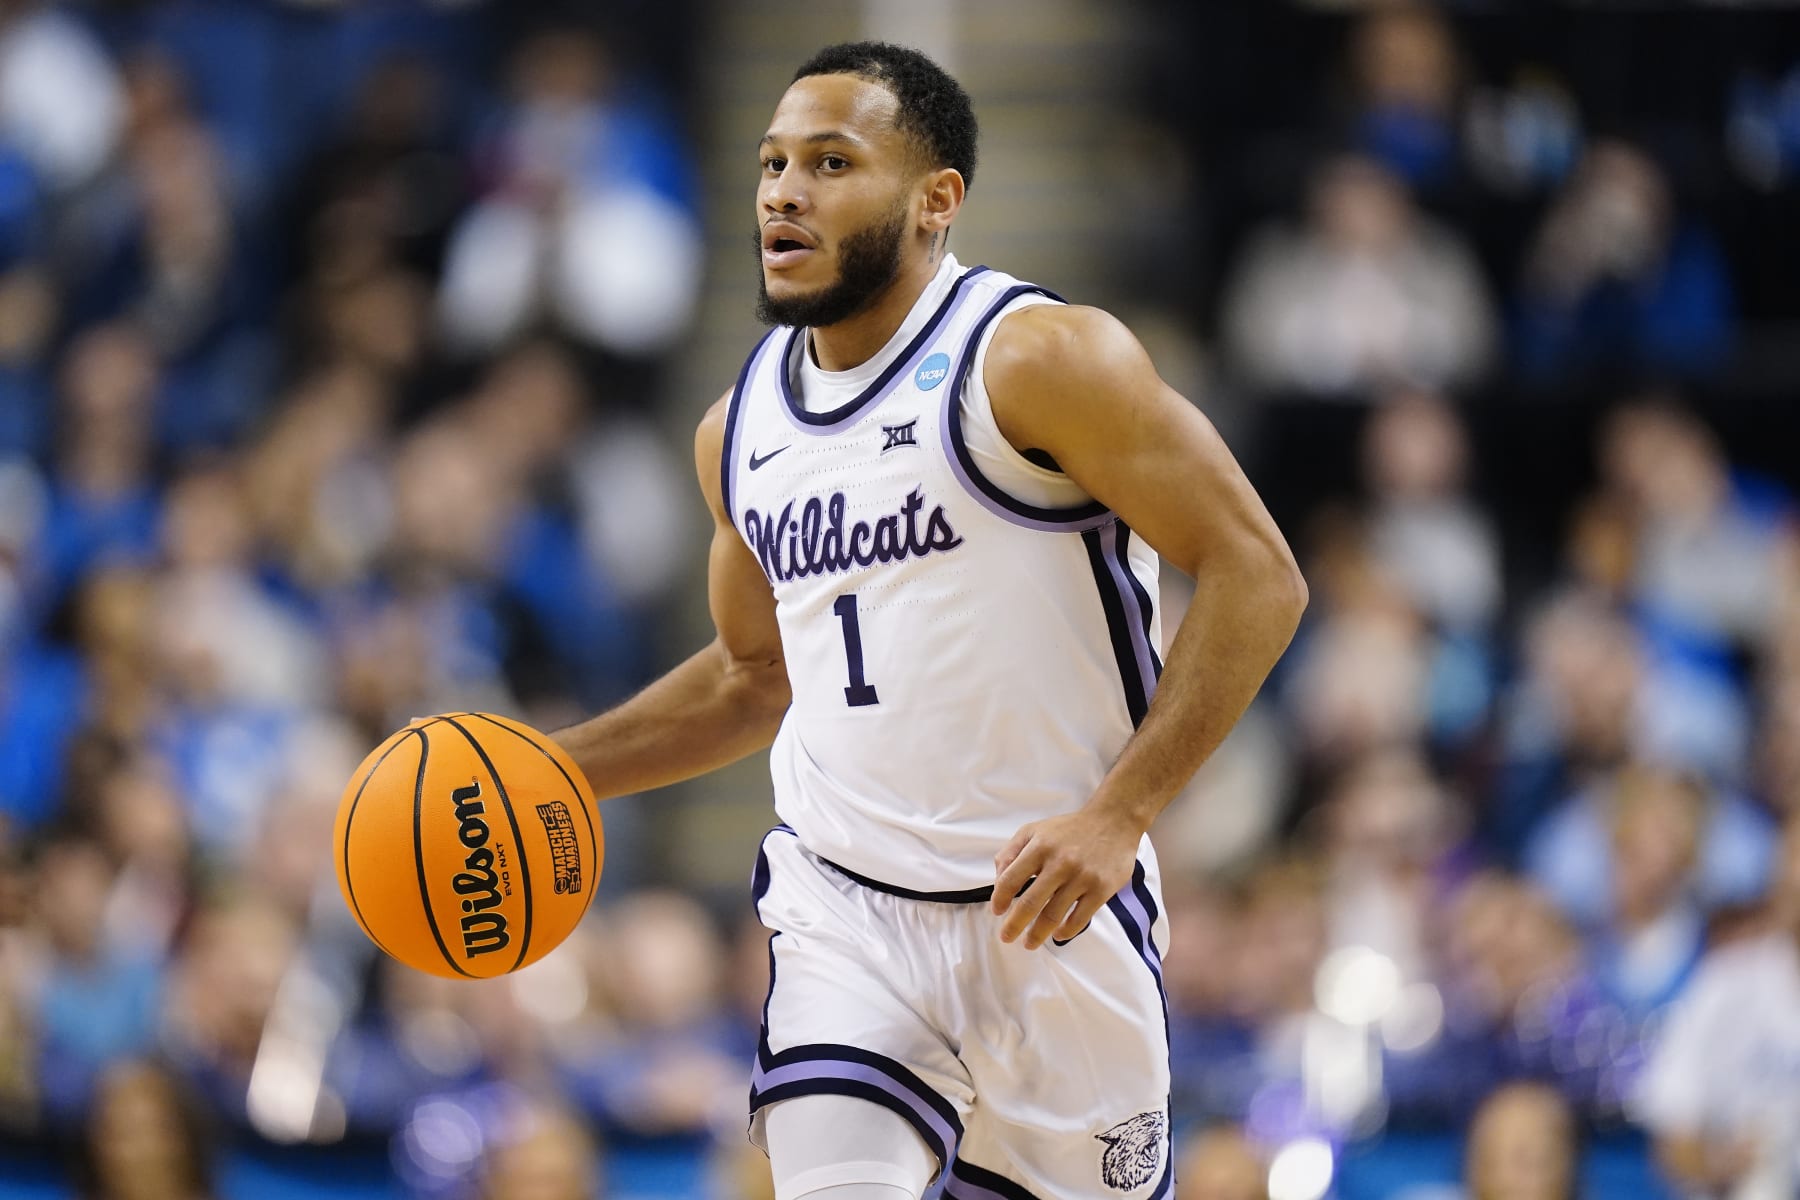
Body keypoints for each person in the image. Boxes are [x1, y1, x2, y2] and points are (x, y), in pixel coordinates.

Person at [550, 41, 1306, 1200]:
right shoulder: (737, 428)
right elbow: (755, 678)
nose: (783, 193)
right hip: (846, 912)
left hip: (1052, 919)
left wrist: (1123, 814)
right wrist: (554, 769)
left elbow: (1258, 575)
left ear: (934, 202)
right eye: (771, 165)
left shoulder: (1042, 359)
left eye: (831, 162)